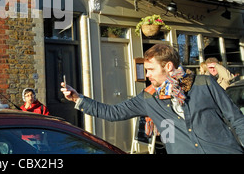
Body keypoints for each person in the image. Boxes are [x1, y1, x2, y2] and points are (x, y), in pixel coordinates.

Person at [61, 44, 244, 154]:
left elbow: (236, 119)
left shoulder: (204, 84)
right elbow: (113, 113)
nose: (147, 75)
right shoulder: (149, 98)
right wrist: (78, 98)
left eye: (151, 70)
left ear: (169, 66)